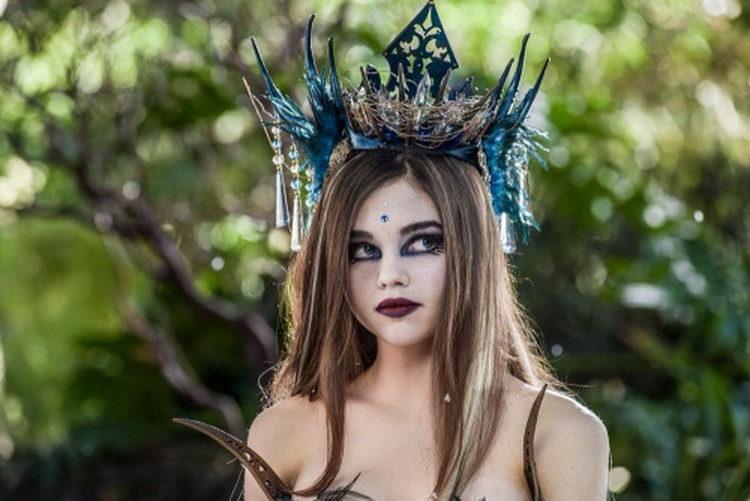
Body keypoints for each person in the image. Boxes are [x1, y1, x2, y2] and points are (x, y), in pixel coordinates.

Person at [175, 2, 611, 500]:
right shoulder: (285, 430)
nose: (389, 275)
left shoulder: (558, 433)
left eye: (424, 243)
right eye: (362, 250)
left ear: (472, 252)